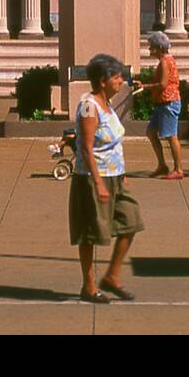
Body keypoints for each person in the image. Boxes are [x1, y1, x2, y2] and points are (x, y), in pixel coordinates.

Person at [69, 53, 143, 303]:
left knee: (131, 221)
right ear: (102, 81)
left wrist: (122, 175)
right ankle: (88, 286)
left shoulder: (107, 104)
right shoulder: (89, 105)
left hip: (115, 176)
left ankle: (112, 275)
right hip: (92, 178)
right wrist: (99, 183)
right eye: (117, 77)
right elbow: (87, 148)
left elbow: (114, 145)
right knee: (90, 235)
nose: (121, 81)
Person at [141, 32, 184, 179]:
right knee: (151, 133)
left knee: (171, 136)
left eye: (152, 47)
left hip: (168, 103)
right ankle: (162, 165)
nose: (149, 50)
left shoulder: (165, 62)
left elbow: (163, 84)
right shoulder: (165, 61)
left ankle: (178, 169)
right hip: (162, 103)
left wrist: (145, 87)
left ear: (159, 47)